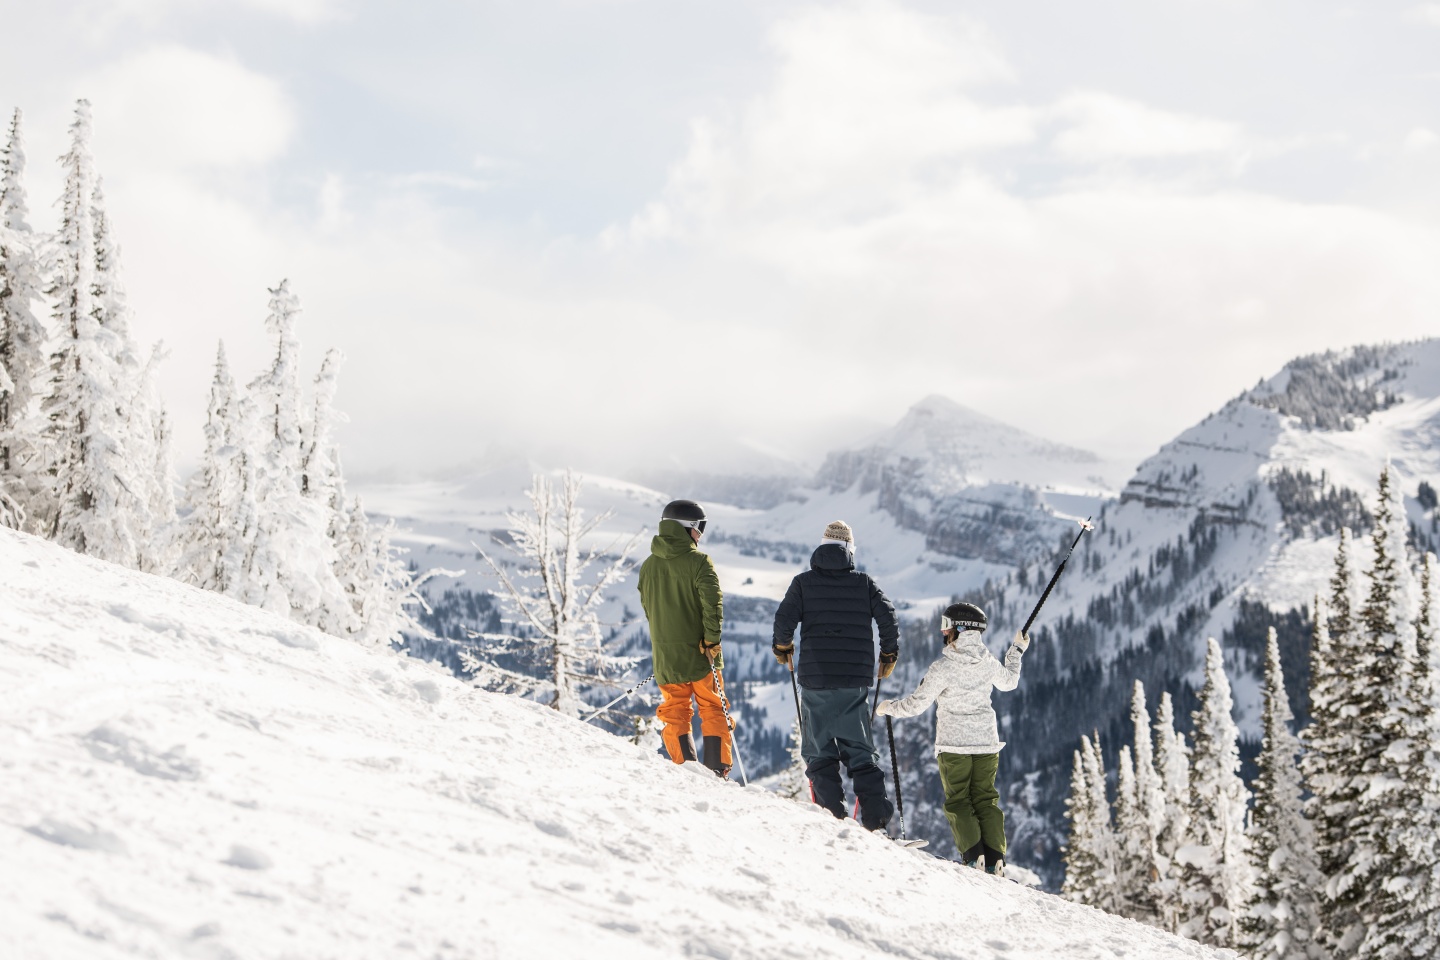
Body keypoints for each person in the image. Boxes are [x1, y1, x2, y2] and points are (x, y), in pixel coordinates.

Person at [875, 602, 1028, 876]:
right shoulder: (988, 662)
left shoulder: (943, 667)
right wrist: (1016, 650)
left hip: (953, 747)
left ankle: (973, 857)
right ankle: (995, 860)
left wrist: (889, 708)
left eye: (947, 626)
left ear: (960, 629)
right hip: (986, 744)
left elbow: (916, 705)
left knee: (959, 801)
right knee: (986, 800)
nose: (943, 632)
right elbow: (1009, 682)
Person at [772, 520, 898, 831]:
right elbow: (888, 618)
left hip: (815, 679)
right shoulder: (864, 583)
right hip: (853, 681)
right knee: (860, 750)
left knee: (819, 751)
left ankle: (831, 819)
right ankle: (876, 822)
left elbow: (783, 620)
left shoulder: (803, 583)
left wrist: (783, 646)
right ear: (849, 550)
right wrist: (888, 654)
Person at [637, 499, 733, 777]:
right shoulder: (699, 561)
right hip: (702, 653)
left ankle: (686, 771)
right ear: (687, 527)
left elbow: (649, 609)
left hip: (666, 657)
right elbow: (712, 604)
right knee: (713, 707)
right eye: (700, 527)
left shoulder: (648, 566)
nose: (701, 535)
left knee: (675, 711)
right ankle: (717, 769)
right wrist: (712, 641)